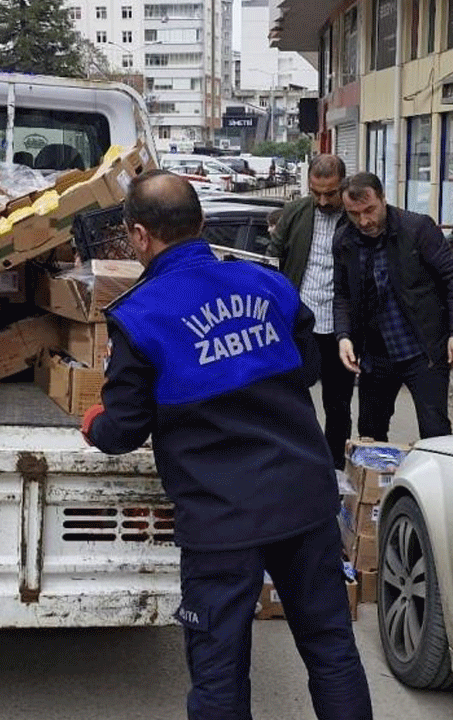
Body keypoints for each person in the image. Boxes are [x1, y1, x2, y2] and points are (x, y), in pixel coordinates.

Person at [83, 170, 372, 720]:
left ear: (141, 236)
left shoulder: (140, 316)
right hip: (304, 500)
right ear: (201, 224)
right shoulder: (269, 285)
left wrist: (92, 422)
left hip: (222, 521)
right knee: (331, 649)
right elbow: (306, 366)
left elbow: (122, 430)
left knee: (219, 673)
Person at [334, 172, 453, 441]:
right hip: (375, 354)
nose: (364, 220)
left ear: (384, 199)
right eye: (354, 213)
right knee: (370, 434)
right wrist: (343, 336)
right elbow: (342, 294)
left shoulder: (416, 228)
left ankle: (436, 482)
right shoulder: (344, 240)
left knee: (435, 432)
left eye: (370, 210)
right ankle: (377, 483)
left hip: (422, 351)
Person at [268, 154, 356, 470]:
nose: (322, 200)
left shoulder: (355, 214)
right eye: (316, 192)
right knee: (292, 398)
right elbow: (272, 258)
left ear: (343, 185)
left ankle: (333, 468)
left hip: (341, 328)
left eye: (330, 193)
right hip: (300, 323)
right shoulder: (295, 213)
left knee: (338, 404)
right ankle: (295, 463)